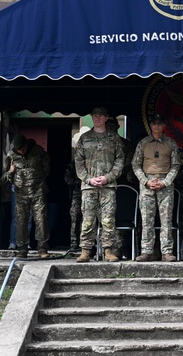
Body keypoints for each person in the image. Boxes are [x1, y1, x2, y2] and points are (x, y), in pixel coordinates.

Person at [74, 106, 126, 263]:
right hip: (89, 186)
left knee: (108, 219)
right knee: (88, 219)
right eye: (94, 115)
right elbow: (78, 162)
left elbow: (120, 160)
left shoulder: (114, 138)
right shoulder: (84, 138)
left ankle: (108, 250)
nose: (97, 118)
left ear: (106, 118)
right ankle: (85, 251)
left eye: (100, 115)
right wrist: (88, 179)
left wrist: (108, 177)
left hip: (108, 186)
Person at [132, 114, 181, 262]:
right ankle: (147, 251)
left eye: (160, 123)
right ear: (150, 125)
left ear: (164, 126)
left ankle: (166, 252)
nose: (157, 126)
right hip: (147, 183)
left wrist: (165, 182)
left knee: (166, 219)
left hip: (165, 183)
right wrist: (145, 181)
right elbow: (135, 164)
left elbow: (175, 165)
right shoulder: (143, 143)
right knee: (147, 219)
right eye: (154, 123)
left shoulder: (171, 143)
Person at [9, 134, 51, 259]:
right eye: (18, 150)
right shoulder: (11, 155)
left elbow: (46, 167)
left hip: (37, 190)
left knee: (41, 218)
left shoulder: (38, 151)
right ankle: (22, 248)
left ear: (26, 145)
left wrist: (39, 180)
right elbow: (7, 173)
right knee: (21, 220)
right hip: (20, 193)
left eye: (22, 149)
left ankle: (42, 247)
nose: (21, 152)